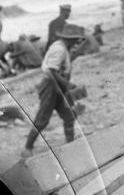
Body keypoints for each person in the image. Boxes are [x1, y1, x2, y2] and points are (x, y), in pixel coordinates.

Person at [22, 24, 85, 158]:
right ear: (71, 38)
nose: (78, 42)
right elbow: (51, 70)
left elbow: (60, 66)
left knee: (69, 115)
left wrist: (74, 56)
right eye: (76, 39)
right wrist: (67, 84)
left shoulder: (63, 48)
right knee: (42, 118)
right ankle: (28, 147)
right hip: (50, 87)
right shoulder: (59, 49)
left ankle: (70, 144)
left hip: (58, 87)